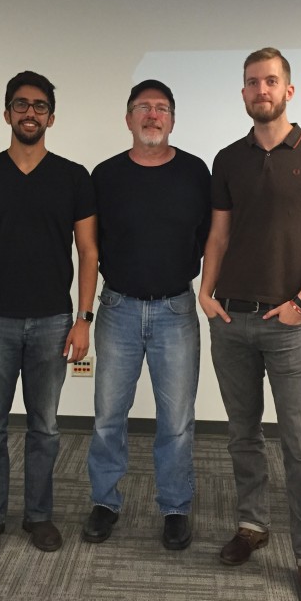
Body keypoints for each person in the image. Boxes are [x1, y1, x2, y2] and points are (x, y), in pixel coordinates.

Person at [200, 48, 301, 601]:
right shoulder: (228, 159)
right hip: (230, 320)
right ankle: (252, 525)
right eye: (251, 82)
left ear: (288, 90)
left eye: (270, 81)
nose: (260, 90)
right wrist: (206, 292)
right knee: (242, 435)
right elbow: (219, 235)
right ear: (243, 93)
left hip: (287, 325)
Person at [0, 70, 97, 556]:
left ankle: (39, 515)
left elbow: (89, 252)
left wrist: (83, 319)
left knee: (46, 428)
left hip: (53, 320)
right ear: (7, 114)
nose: (30, 112)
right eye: (21, 104)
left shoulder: (74, 177)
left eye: (39, 106)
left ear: (51, 117)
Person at [82, 80, 211, 550]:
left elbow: (210, 238)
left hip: (175, 310)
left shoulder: (195, 172)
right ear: (128, 118)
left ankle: (175, 507)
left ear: (172, 119)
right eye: (143, 107)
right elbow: (91, 245)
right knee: (107, 417)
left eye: (161, 108)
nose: (152, 115)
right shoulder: (105, 175)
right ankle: (104, 501)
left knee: (175, 420)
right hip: (117, 308)